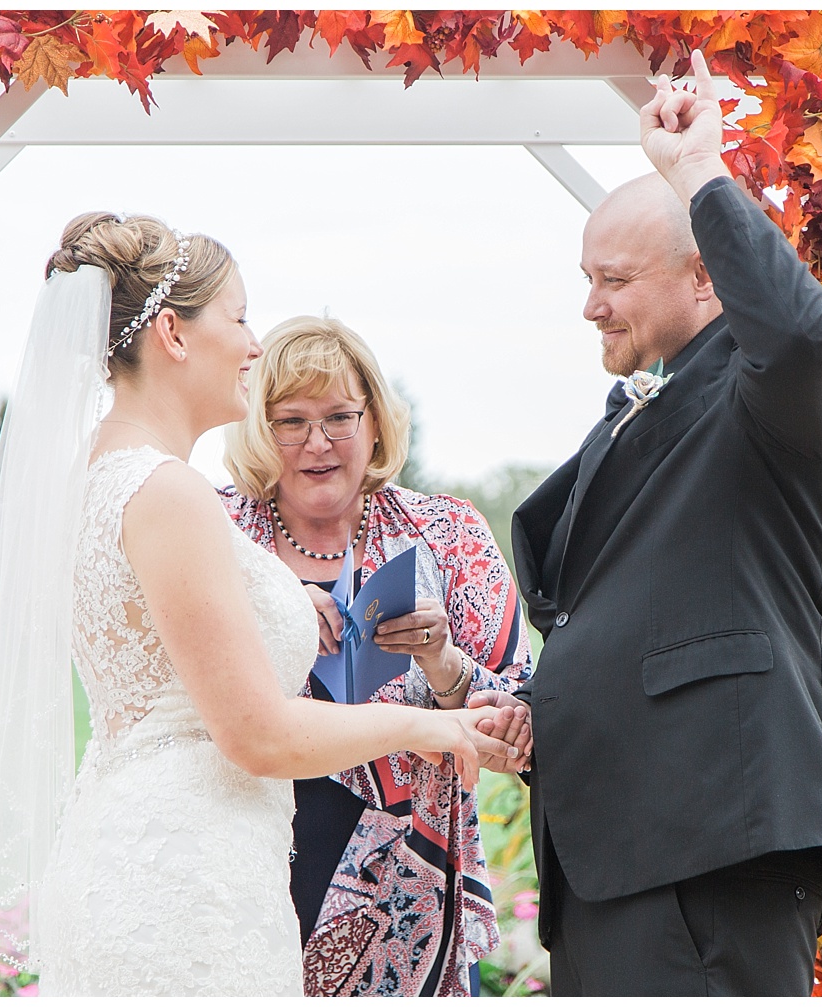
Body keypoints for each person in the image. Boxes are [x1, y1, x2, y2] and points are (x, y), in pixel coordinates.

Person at [0, 214, 518, 996]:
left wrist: (287, 604)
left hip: (143, 849)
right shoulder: (172, 492)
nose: (252, 345)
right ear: (172, 332)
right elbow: (257, 732)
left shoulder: (98, 477)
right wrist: (430, 724)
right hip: (186, 882)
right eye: (238, 316)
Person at [469, 50, 822, 995]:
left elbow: (805, 339)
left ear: (705, 278)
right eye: (586, 275)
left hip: (712, 846)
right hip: (624, 849)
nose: (589, 304)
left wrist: (696, 175)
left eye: (613, 278)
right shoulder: (652, 395)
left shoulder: (775, 394)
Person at [220, 316, 533, 996]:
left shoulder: (447, 531)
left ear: (376, 423)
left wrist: (444, 662)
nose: (318, 442)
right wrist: (269, 605)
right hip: (241, 865)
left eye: (339, 416)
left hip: (409, 894)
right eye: (289, 421)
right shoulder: (217, 533)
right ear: (255, 427)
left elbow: (518, 740)